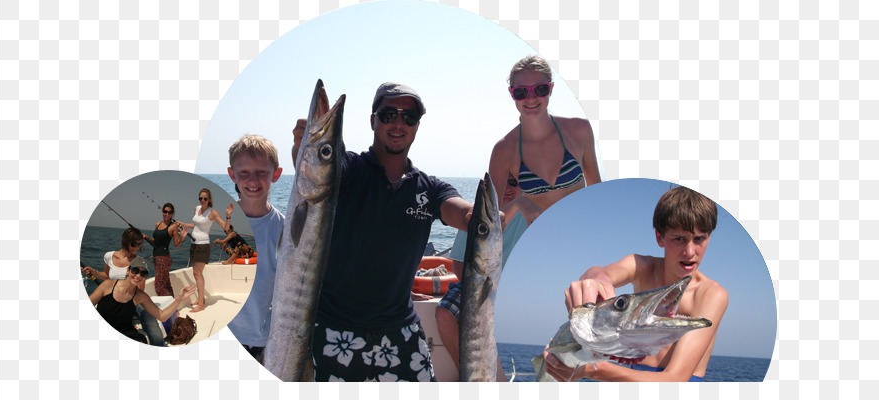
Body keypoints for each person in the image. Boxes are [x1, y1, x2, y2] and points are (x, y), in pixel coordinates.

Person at [291, 82, 474, 382]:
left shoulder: (429, 188)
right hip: (334, 330)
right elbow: (316, 170)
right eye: (388, 114)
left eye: (409, 117)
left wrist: (488, 213)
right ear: (372, 120)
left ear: (417, 126)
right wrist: (302, 148)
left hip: (401, 332)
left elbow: (463, 213)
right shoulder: (347, 169)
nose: (398, 123)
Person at [544, 186, 729, 382]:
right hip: (627, 375)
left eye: (700, 239)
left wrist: (592, 370)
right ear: (660, 238)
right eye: (679, 239)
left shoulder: (712, 294)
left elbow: (676, 379)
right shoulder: (642, 266)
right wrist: (596, 280)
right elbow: (602, 272)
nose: (690, 251)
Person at [434, 172, 541, 381]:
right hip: (478, 284)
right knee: (444, 312)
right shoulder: (475, 218)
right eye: (504, 182)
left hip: (517, 290)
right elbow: (458, 266)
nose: (508, 188)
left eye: (515, 182)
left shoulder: (531, 215)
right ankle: (466, 374)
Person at [488, 54, 602, 213]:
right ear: (511, 93)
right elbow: (491, 222)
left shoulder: (580, 130)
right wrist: (519, 204)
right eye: (521, 92)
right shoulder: (503, 150)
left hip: (586, 234)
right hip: (541, 237)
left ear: (551, 88)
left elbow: (598, 194)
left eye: (540, 89)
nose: (531, 98)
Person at [225, 135, 285, 362]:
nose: (253, 180)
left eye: (262, 172)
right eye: (244, 173)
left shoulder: (284, 229)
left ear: (276, 175)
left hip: (262, 340)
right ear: (232, 174)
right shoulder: (218, 221)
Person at [88, 263, 196, 344]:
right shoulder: (107, 285)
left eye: (143, 273)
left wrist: (179, 299)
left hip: (125, 332)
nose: (138, 275)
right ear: (128, 271)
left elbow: (162, 316)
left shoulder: (141, 296)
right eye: (135, 270)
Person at [177, 188, 231, 313]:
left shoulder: (212, 213)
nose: (202, 200)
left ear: (209, 199)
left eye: (205, 198)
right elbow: (196, 225)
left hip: (202, 246)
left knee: (198, 274)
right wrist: (184, 223)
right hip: (194, 244)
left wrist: (228, 215)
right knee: (196, 274)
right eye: (200, 198)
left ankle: (201, 304)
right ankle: (202, 300)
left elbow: (226, 228)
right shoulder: (196, 209)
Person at [141, 203, 188, 297]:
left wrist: (182, 238)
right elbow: (156, 243)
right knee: (166, 284)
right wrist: (146, 237)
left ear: (172, 213)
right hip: (156, 257)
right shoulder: (157, 224)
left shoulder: (173, 227)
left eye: (170, 212)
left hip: (164, 259)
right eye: (165, 211)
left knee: (159, 287)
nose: (167, 214)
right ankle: (175, 309)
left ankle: (172, 308)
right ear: (162, 212)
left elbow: (176, 244)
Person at [82, 226, 147, 291]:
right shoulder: (109, 256)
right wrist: (94, 272)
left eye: (139, 244)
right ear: (125, 241)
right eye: (134, 244)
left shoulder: (140, 262)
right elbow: (107, 276)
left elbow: (140, 290)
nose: (137, 248)